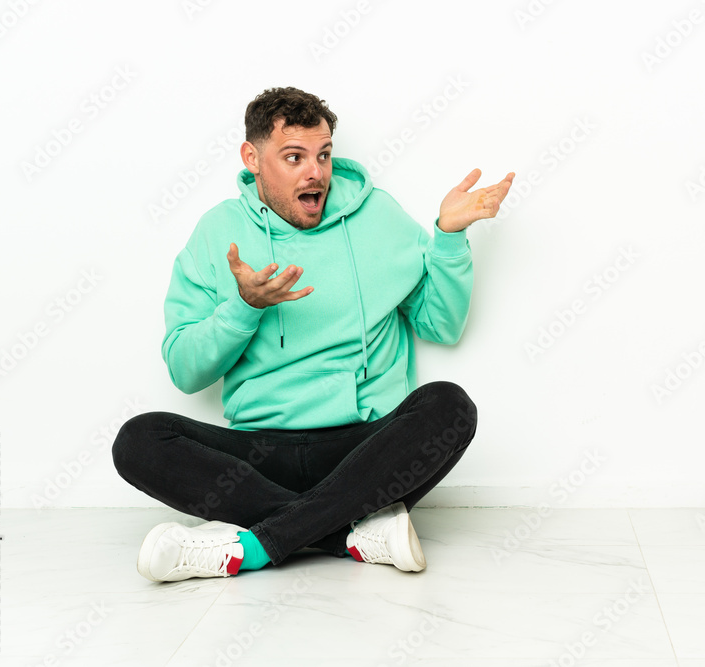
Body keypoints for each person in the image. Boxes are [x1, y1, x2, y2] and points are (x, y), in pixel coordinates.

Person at [112, 87, 514, 582]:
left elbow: (441, 325)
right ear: (252, 158)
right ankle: (348, 534)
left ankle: (254, 546)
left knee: (450, 408)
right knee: (138, 440)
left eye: (323, 155)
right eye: (294, 157)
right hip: (260, 455)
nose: (315, 173)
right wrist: (243, 308)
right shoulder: (218, 233)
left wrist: (449, 239)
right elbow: (185, 371)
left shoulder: (378, 217)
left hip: (365, 453)